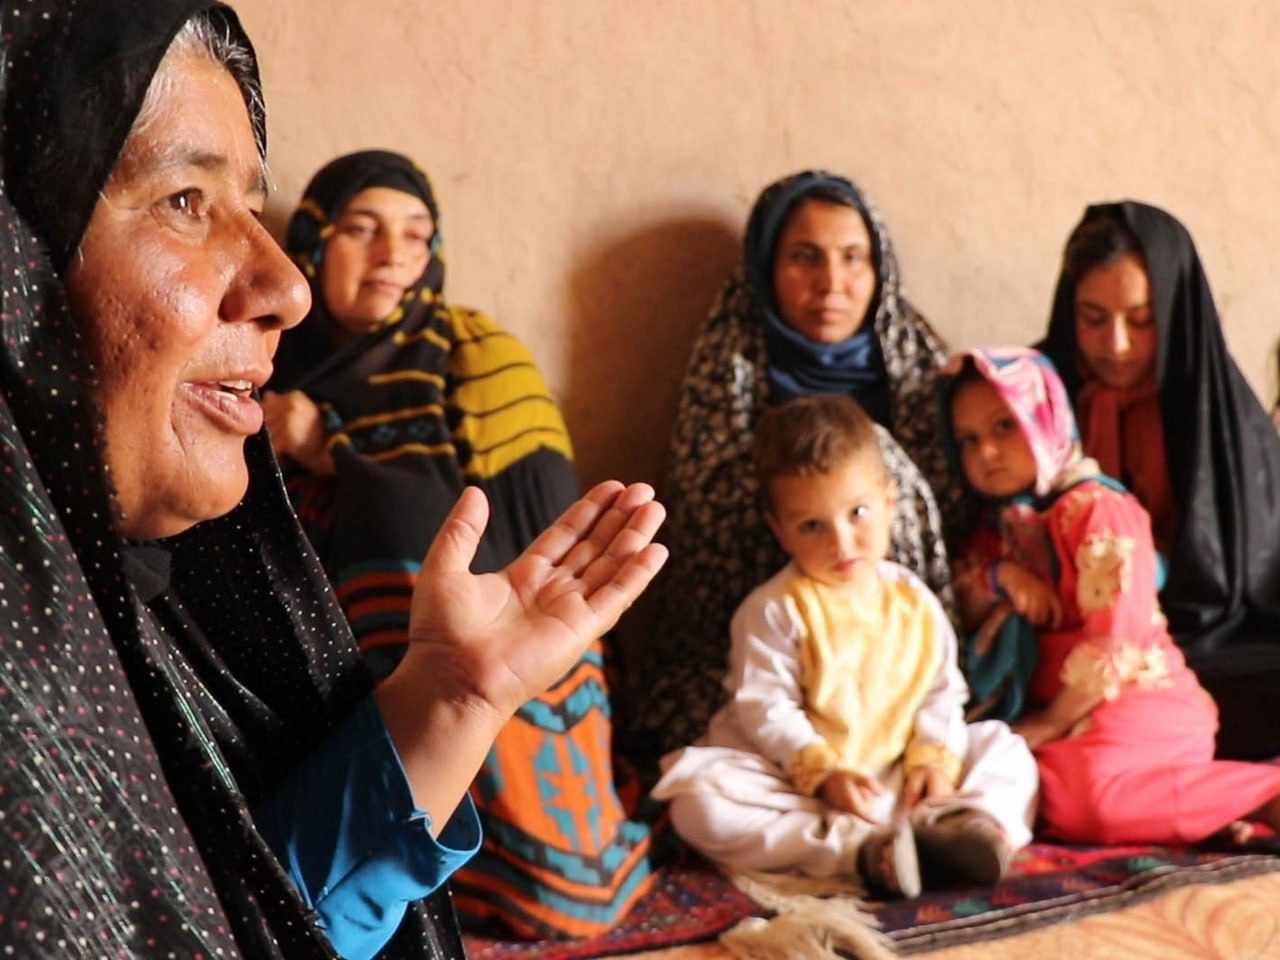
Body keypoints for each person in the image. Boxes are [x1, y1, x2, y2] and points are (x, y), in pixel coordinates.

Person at [0, 3, 666, 959]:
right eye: (187, 200)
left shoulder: (146, 599)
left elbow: (246, 917)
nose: (286, 287)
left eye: (253, 211)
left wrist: (453, 699)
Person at [264, 151, 651, 938]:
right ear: (311, 243)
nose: (392, 257)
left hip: (496, 653)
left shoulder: (478, 355)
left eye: (415, 236)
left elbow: (526, 533)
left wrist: (332, 452)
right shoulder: (265, 356)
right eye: (362, 231)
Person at [630, 170, 959, 763]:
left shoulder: (917, 367)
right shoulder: (725, 372)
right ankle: (866, 836)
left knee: (997, 755)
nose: (832, 283)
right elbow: (710, 534)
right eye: (805, 258)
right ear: (765, 270)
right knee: (700, 786)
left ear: (879, 268)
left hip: (902, 670)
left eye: (853, 258)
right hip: (762, 667)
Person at [651, 395, 1035, 898]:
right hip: (806, 788)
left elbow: (942, 691)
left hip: (900, 778)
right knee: (698, 804)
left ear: (890, 502)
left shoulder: (913, 600)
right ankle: (860, 852)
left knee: (1006, 750)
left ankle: (966, 829)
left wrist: (932, 763)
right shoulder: (773, 610)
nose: (842, 541)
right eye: (813, 525)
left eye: (858, 513)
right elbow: (765, 709)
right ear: (779, 530)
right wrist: (824, 774)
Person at [945, 346, 1280, 845]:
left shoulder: (1098, 510)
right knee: (1005, 775)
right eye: (969, 440)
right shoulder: (999, 528)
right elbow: (960, 601)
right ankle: (1208, 815)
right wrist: (1001, 578)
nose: (987, 454)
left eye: (1005, 427)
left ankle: (1263, 789)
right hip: (1065, 719)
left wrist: (1052, 721)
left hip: (1135, 699)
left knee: (1090, 803)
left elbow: (1116, 642)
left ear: (1047, 418)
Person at [1036, 202, 1280, 759]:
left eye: (1141, 320)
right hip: (1073, 642)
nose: (1116, 345)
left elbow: (1251, 590)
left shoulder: (1219, 413)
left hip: (1196, 644)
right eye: (1093, 319)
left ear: (1175, 315)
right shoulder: (1035, 400)